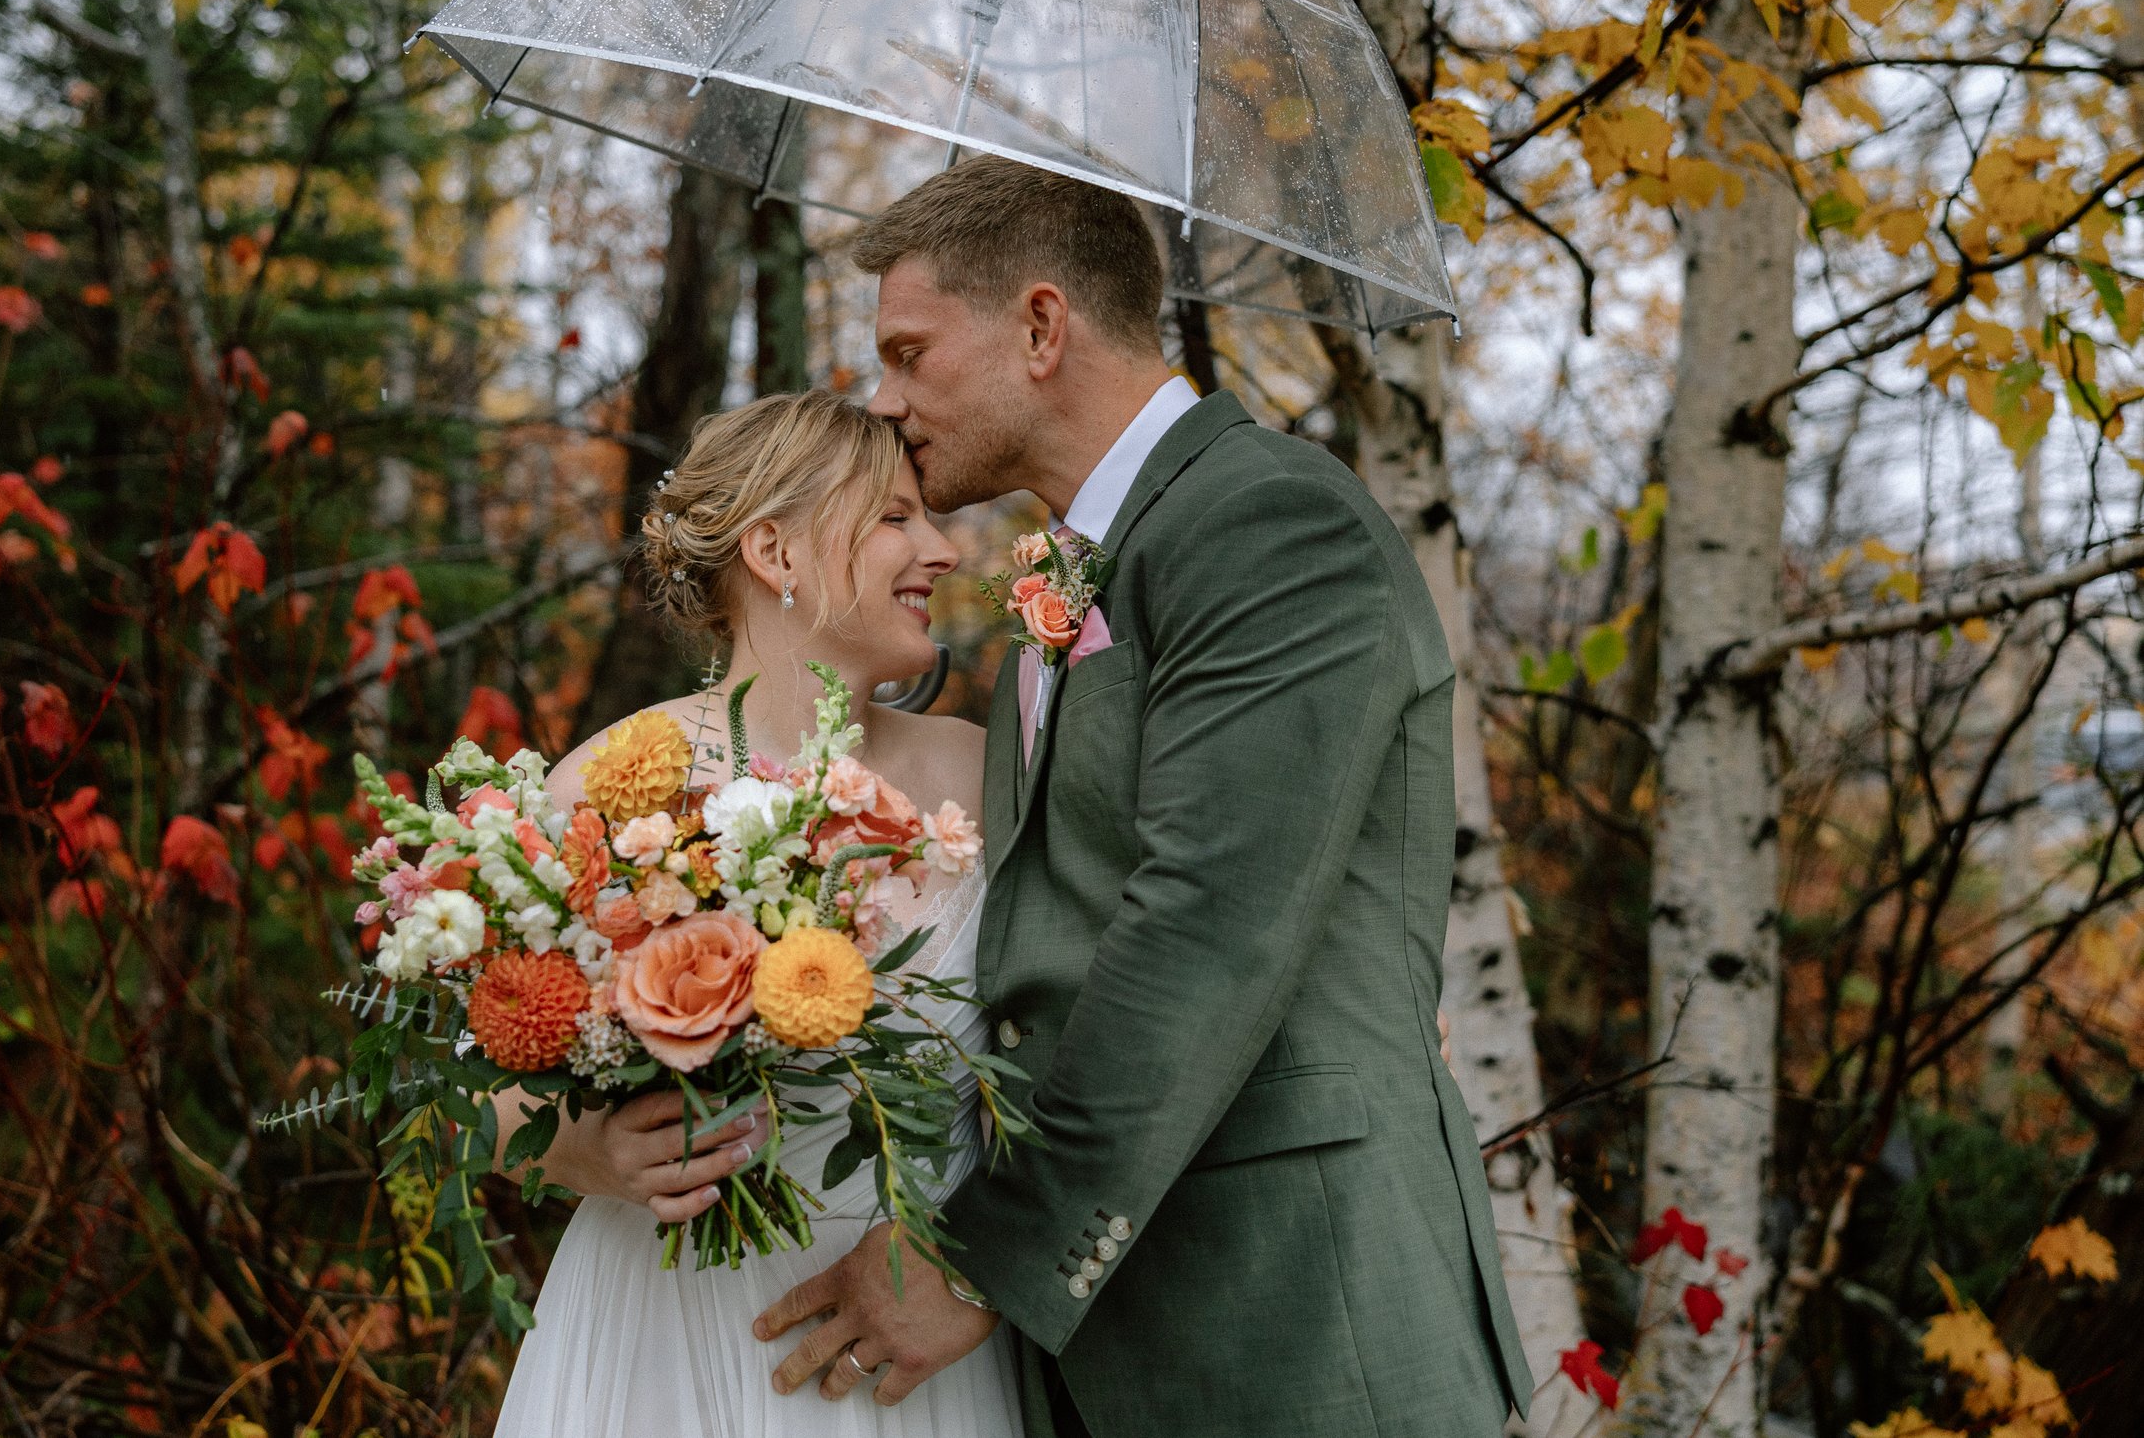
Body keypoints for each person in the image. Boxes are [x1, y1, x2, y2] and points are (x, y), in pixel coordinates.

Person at [752, 156, 1534, 1438]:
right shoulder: (1065, 582)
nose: (885, 401)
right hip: (1109, 1342)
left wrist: (976, 1254)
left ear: (1042, 327)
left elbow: (1209, 920)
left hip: (1296, 1310)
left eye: (907, 351)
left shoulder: (1268, 523)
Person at [490, 388, 1022, 1437]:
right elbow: (482, 1084)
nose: (943, 548)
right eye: (895, 516)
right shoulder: (613, 784)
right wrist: (584, 1151)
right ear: (774, 549)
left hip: (917, 1339)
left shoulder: (985, 772)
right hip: (666, 1342)